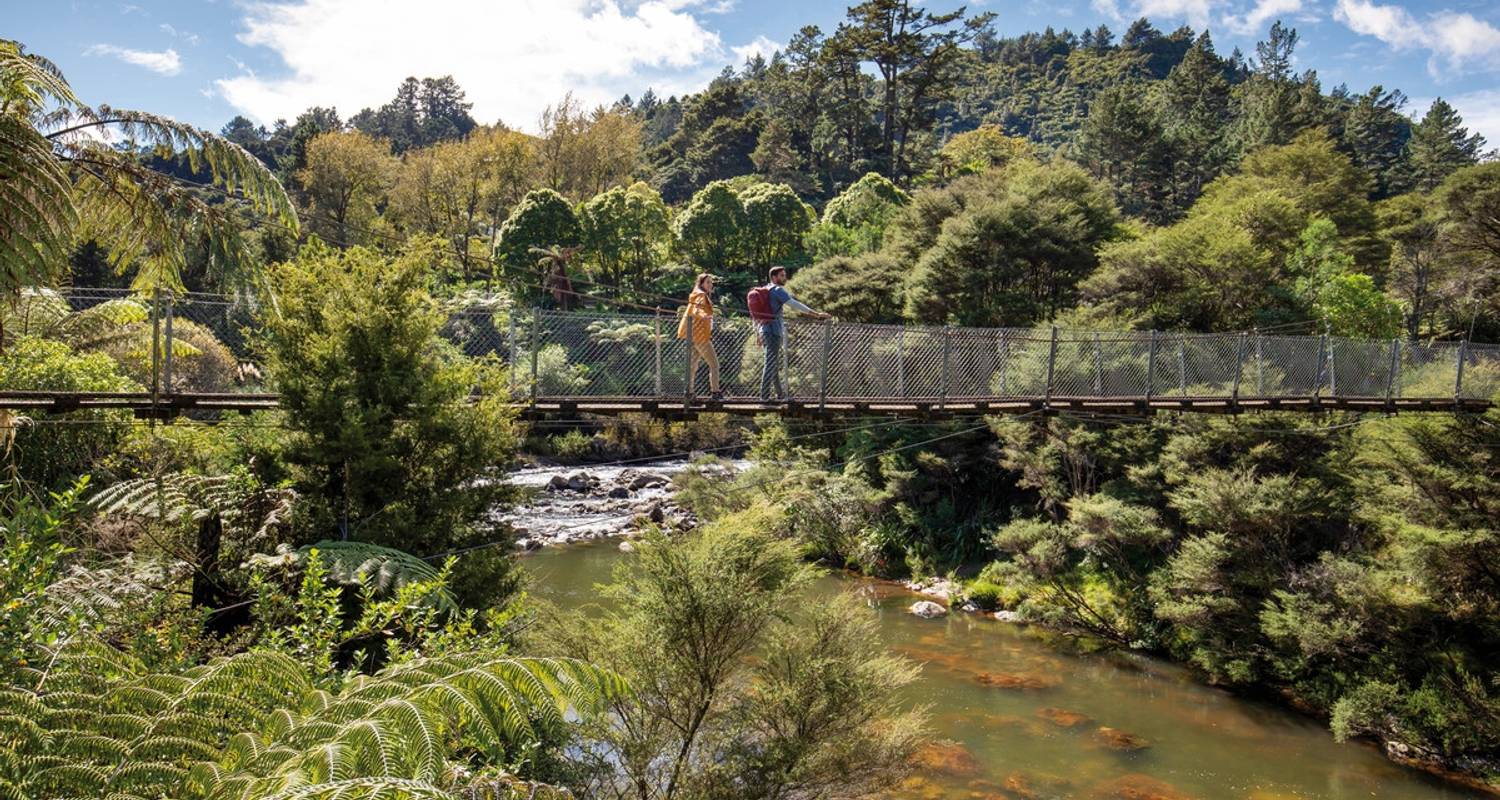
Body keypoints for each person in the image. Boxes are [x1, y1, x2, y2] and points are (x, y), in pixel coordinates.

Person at [755, 266, 830, 402]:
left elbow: (757, 315)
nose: (785, 278)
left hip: (764, 330)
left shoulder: (765, 289)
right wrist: (816, 314)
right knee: (770, 362)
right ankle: (764, 398)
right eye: (782, 276)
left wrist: (757, 333)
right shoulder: (777, 290)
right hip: (773, 331)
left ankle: (780, 395)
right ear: (774, 277)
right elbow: (794, 304)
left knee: (772, 363)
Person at [677, 272, 723, 401]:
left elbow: (695, 308)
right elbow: (698, 309)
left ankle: (689, 393)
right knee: (714, 364)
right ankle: (715, 392)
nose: (710, 284)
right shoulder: (701, 295)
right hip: (700, 336)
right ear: (701, 283)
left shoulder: (696, 294)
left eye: (711, 282)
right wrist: (704, 315)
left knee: (692, 366)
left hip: (692, 335)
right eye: (707, 282)